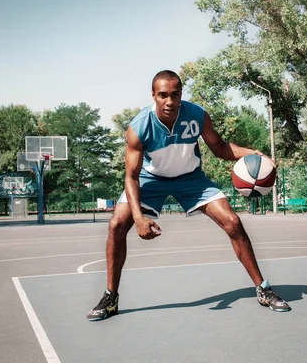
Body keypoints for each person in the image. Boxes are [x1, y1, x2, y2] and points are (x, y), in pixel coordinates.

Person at [87, 70, 290, 321]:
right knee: (117, 224)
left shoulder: (196, 115)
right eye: (163, 95)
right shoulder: (140, 127)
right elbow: (131, 176)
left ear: (181, 94)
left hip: (191, 179)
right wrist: (139, 219)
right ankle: (110, 297)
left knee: (233, 222)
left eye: (175, 95)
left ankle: (263, 289)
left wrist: (253, 153)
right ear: (153, 95)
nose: (170, 101)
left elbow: (219, 147)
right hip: (152, 180)